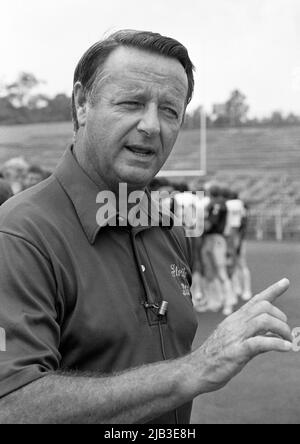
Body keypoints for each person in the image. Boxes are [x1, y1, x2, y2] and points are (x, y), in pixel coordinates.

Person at [0, 30, 293, 424]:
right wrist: (195, 369)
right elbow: (11, 404)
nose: (152, 125)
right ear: (82, 103)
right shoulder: (19, 235)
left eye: (170, 110)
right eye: (131, 103)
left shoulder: (168, 230)